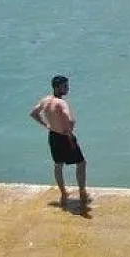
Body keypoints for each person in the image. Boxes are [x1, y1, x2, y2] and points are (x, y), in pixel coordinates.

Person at [31, 75, 89, 210]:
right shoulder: (61, 103)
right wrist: (69, 133)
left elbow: (34, 113)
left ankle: (63, 193)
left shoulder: (46, 100)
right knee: (81, 163)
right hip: (64, 136)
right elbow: (71, 120)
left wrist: (46, 125)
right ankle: (82, 192)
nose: (67, 89)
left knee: (58, 165)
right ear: (57, 87)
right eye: (65, 86)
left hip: (53, 135)